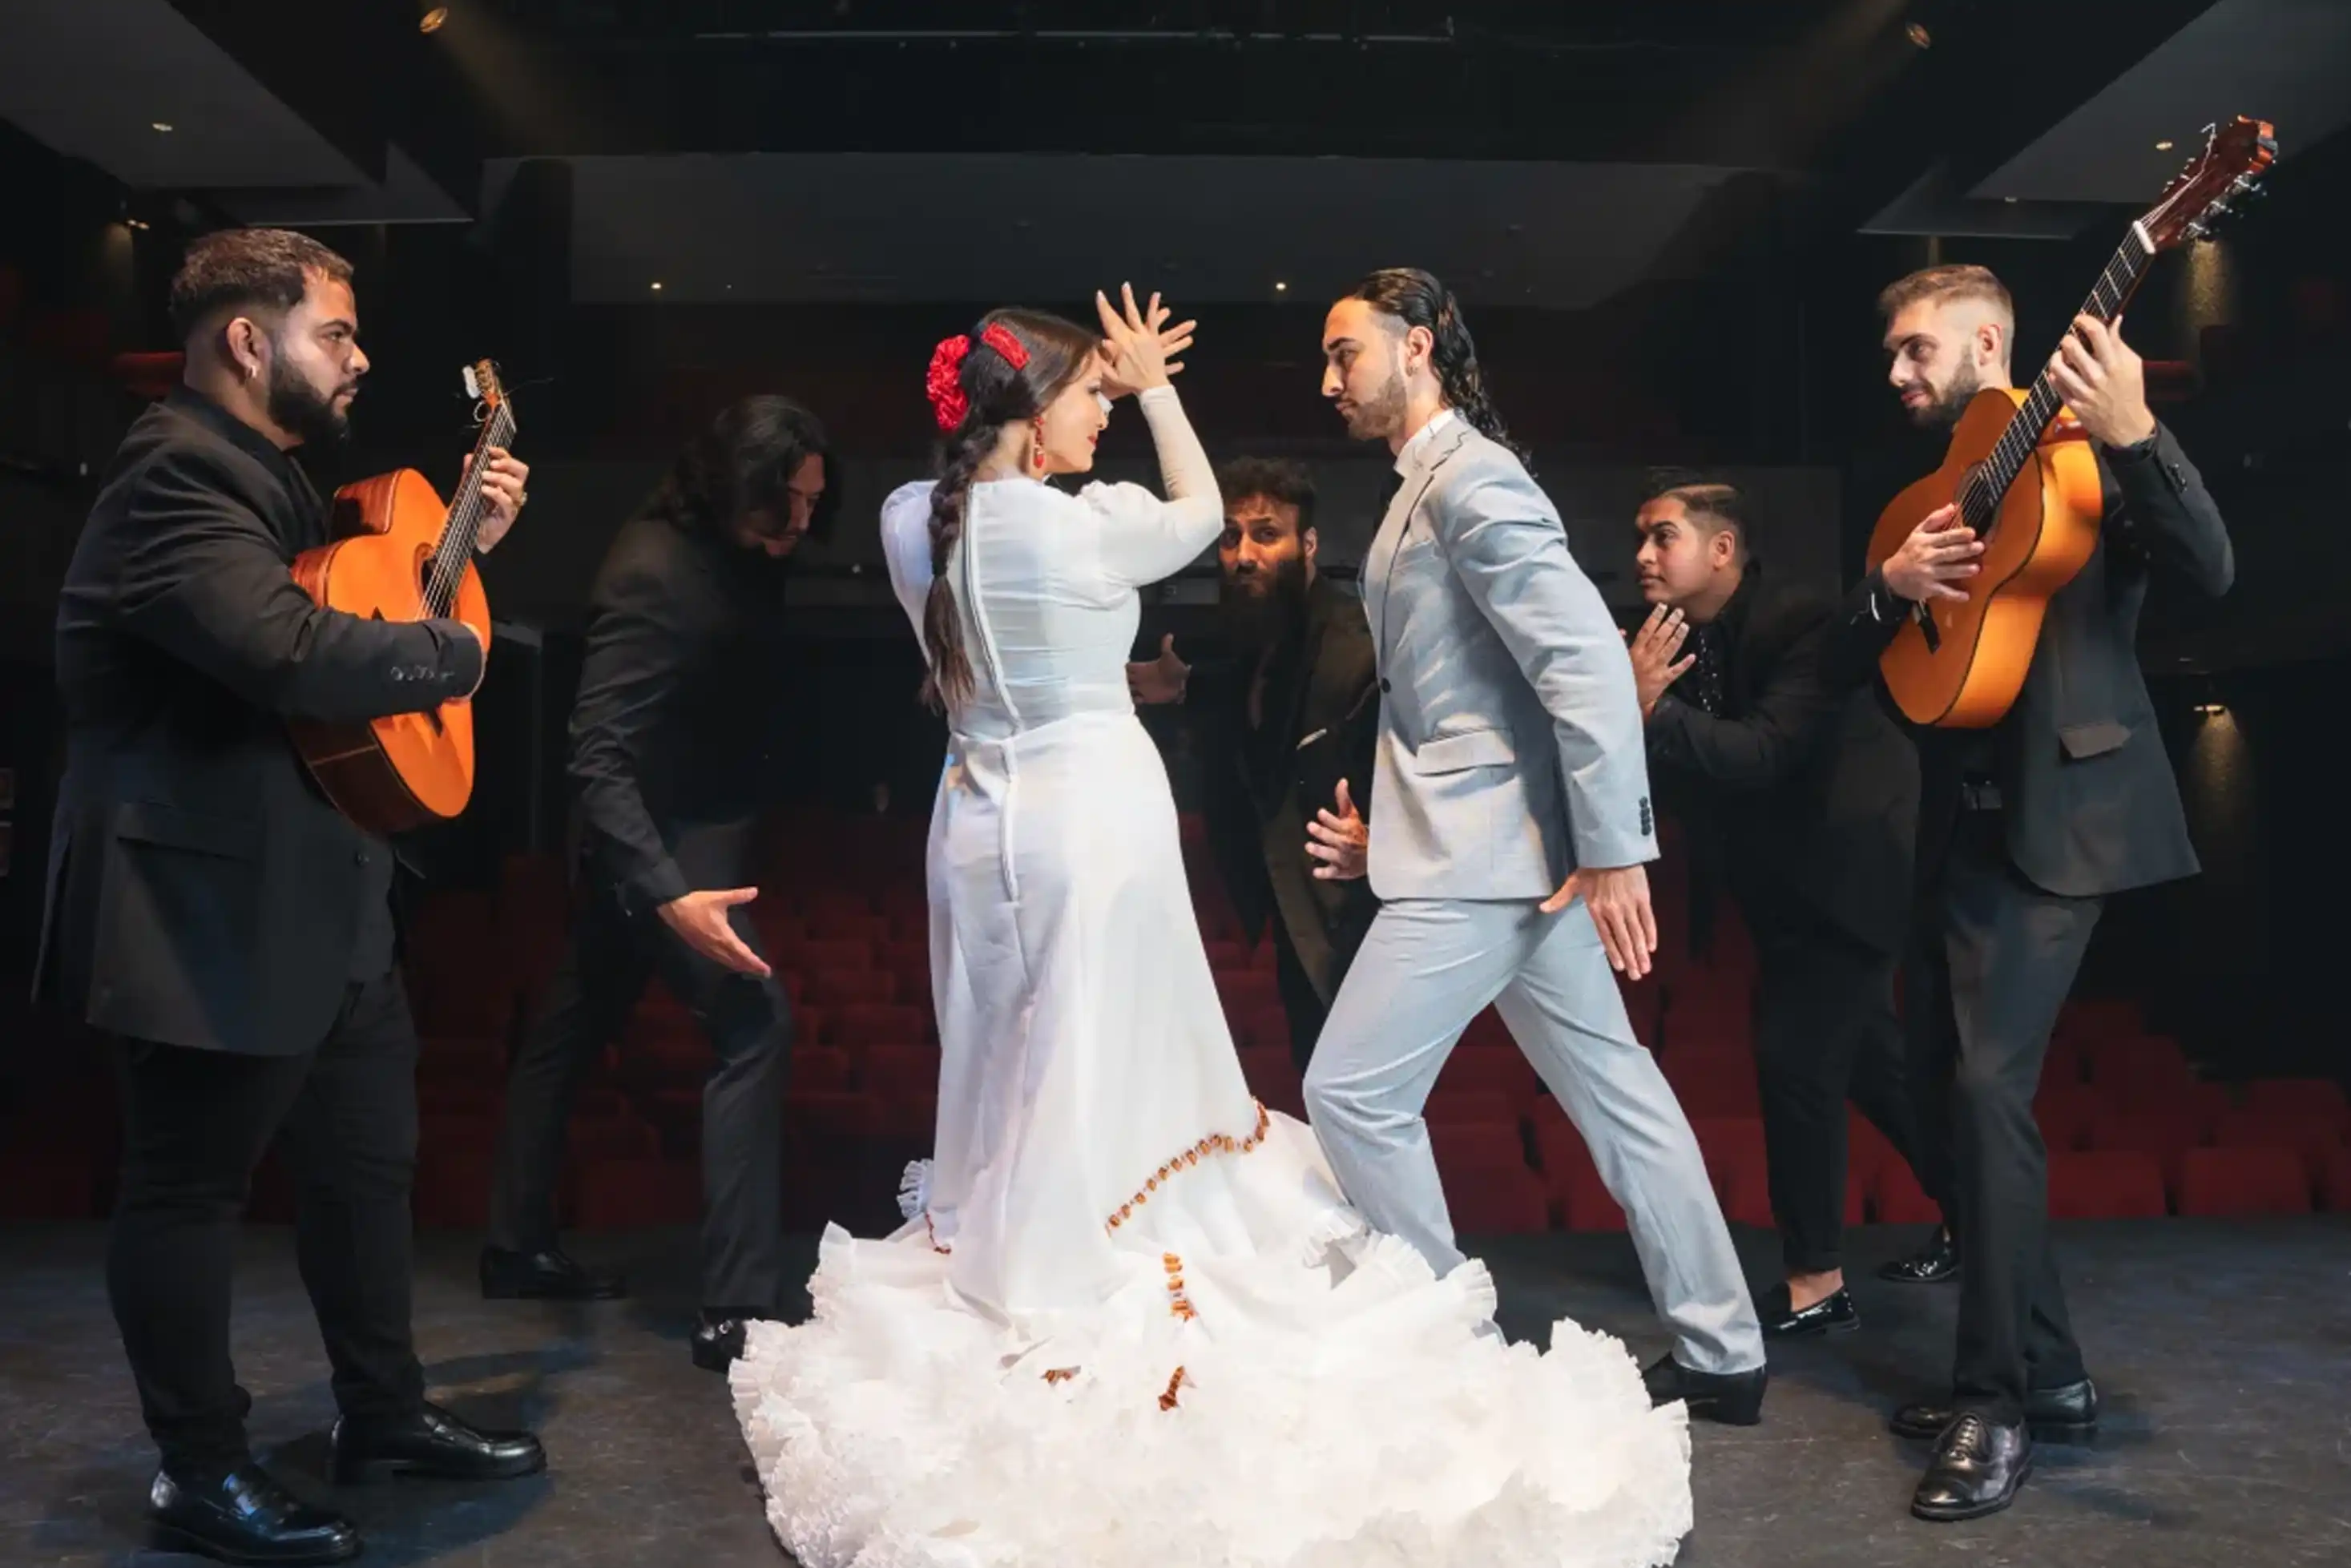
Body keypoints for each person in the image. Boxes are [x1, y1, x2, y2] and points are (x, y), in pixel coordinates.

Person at [726, 288, 1694, 1568]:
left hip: (971, 823)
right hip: (1091, 819)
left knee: (1009, 1047)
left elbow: (993, 605)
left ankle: (1013, 1231)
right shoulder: (1085, 530)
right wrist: (1162, 387)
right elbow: (1191, 517)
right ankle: (1101, 1242)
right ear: (1030, 409)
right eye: (1091, 397)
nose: (1105, 412)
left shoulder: (917, 521)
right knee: (1108, 1045)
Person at [36, 228, 543, 1568]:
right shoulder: (175, 475)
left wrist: (459, 546)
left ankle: (381, 1413)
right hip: (199, 909)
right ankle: (198, 1470)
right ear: (248, 342)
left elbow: (337, 610)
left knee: (365, 1174)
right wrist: (459, 646)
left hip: (322, 899)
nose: (363, 356)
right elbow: (291, 648)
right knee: (188, 1192)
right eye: (338, 332)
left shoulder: (274, 481)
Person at [1298, 268, 1767, 1431]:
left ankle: (1446, 1348)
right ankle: (1722, 1350)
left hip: (1487, 861)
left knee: (1347, 1092)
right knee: (1620, 1097)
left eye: (1342, 353)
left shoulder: (1475, 480)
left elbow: (1585, 665)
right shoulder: (1428, 484)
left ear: (1414, 351)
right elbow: (1459, 696)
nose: (1325, 380)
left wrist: (1615, 850)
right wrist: (1388, 837)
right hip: (1483, 845)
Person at [1841, 264, 2232, 1521]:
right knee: (1944, 1103)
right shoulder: (1927, 493)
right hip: (1953, 828)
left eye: (1914, 350)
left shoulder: (2077, 451)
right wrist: (1885, 590)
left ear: (1987, 341)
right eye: (1891, 354)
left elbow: (2210, 567)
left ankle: (1994, 1404)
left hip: (2068, 817)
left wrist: (2139, 433)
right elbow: (1881, 646)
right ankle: (2052, 1376)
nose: (1896, 373)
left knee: (1982, 1088)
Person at [481, 397, 830, 1372]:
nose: (803, 524)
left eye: (813, 503)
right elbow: (597, 761)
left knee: (569, 1025)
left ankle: (514, 1245)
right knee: (756, 1025)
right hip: (663, 844)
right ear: (735, 487)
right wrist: (668, 889)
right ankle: (736, 1307)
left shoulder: (731, 546)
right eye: (787, 505)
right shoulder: (653, 572)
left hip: (681, 831)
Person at [1623, 478, 1943, 1337]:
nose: (1644, 557)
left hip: (1852, 874)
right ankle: (1977, 1218)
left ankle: (1816, 1278)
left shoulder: (1800, 620)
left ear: (1722, 550)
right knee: (1881, 1070)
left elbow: (1761, 753)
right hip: (1785, 887)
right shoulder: (1678, 635)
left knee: (1793, 1058)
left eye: (1662, 538)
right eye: (1642, 541)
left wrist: (1645, 707)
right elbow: (1692, 771)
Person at [1126, 457, 1379, 1070]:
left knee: (1363, 1107)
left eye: (1267, 534)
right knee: (1320, 1097)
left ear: (1309, 545)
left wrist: (1382, 844)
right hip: (1296, 922)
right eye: (1231, 536)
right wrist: (1179, 689)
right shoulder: (1248, 641)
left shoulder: (1360, 645)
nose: (1244, 554)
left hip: (1366, 925)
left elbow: (1429, 763)